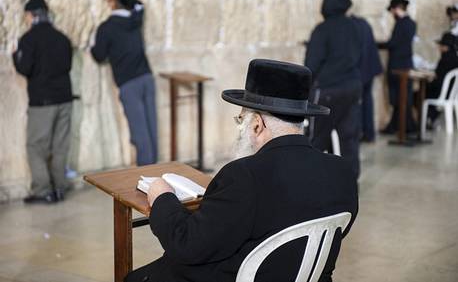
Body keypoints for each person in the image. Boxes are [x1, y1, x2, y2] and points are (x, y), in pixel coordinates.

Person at [124, 59, 358, 282]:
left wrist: (163, 196)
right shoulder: (343, 172)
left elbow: (187, 245)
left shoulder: (244, 175)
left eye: (241, 120)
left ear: (257, 124)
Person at [12, 0, 73, 203]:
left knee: (36, 146)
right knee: (60, 146)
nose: (26, 20)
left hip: (43, 102)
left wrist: (14, 55)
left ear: (32, 15)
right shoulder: (62, 38)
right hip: (65, 99)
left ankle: (43, 190)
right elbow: (68, 65)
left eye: (26, 16)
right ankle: (60, 188)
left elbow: (24, 67)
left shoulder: (28, 39)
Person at [91, 0, 157, 166]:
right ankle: (154, 169)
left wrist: (92, 44)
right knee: (151, 127)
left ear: (112, 5)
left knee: (139, 132)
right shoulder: (134, 20)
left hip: (129, 83)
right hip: (147, 77)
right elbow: (139, 4)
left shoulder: (106, 27)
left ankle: (147, 177)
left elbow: (98, 55)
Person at [304, 0, 362, 176]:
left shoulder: (323, 29)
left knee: (316, 138)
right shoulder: (355, 27)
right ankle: (349, 181)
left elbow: (311, 64)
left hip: (328, 91)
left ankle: (310, 179)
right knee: (349, 138)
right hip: (353, 88)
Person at [378, 0, 417, 134]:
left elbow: (393, 44)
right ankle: (399, 126)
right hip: (407, 64)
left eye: (393, 10)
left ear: (396, 9)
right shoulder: (412, 23)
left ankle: (404, 126)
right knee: (404, 97)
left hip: (397, 66)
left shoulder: (401, 24)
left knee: (398, 98)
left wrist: (376, 44)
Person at [352, 16, 383, 142]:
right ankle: (369, 134)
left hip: (360, 70)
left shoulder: (352, 27)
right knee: (367, 101)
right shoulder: (364, 23)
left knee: (356, 103)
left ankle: (358, 132)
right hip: (370, 69)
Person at [425, 32, 458, 127]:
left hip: (442, 93)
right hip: (452, 94)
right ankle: (431, 118)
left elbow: (438, 79)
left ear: (446, 47)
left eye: (441, 45)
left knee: (421, 93)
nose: (439, 48)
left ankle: (425, 120)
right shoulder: (455, 58)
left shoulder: (445, 59)